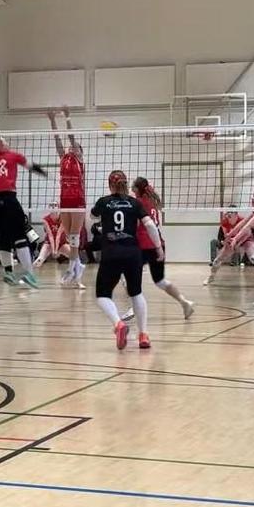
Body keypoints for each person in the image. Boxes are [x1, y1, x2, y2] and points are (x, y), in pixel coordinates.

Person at [91, 170, 163, 350]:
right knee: (136, 293)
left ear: (110, 185)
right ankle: (143, 335)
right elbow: (150, 225)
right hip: (132, 253)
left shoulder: (103, 202)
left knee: (102, 295)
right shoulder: (134, 203)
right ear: (125, 184)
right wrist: (158, 247)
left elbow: (93, 215)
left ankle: (118, 324)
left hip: (111, 253)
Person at [121, 177, 194, 321]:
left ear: (137, 189)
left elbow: (137, 225)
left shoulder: (137, 203)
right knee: (160, 281)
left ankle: (133, 307)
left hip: (143, 246)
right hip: (157, 245)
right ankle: (184, 302)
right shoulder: (152, 202)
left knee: (126, 275)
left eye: (133, 187)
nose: (131, 189)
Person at [0, 136, 46, 288]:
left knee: (3, 239)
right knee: (20, 236)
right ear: (2, 144)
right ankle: (29, 273)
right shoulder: (13, 155)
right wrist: (43, 172)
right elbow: (31, 166)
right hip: (8, 199)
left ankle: (8, 272)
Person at [49, 108, 88, 287]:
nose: (72, 146)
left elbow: (71, 137)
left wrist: (67, 116)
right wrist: (52, 120)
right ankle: (77, 268)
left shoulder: (79, 159)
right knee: (70, 239)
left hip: (78, 201)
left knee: (74, 237)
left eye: (75, 146)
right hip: (65, 200)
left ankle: (72, 270)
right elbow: (57, 139)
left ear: (79, 151)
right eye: (71, 146)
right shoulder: (63, 157)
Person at [204, 209, 254, 286]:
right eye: (228, 212)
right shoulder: (225, 221)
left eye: (231, 212)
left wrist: (238, 244)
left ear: (236, 214)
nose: (228, 214)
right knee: (217, 260)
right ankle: (211, 277)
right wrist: (226, 243)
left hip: (246, 240)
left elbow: (247, 234)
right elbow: (226, 236)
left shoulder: (242, 220)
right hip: (232, 241)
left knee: (253, 258)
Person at [34, 206, 71, 271]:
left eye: (55, 205)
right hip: (49, 244)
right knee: (40, 259)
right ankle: (31, 272)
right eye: (51, 206)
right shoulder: (46, 219)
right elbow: (50, 235)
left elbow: (58, 235)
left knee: (74, 256)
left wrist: (56, 250)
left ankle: (76, 273)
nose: (53, 207)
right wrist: (53, 250)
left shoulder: (63, 219)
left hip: (62, 244)